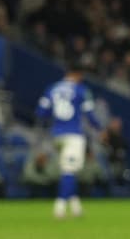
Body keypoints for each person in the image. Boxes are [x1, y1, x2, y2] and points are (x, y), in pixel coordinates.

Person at [36, 63, 102, 218]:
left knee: (67, 171)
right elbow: (90, 114)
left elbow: (41, 112)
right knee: (69, 171)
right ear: (79, 75)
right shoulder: (81, 90)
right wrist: (100, 129)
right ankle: (59, 208)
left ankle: (76, 207)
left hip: (56, 135)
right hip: (73, 135)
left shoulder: (52, 88)